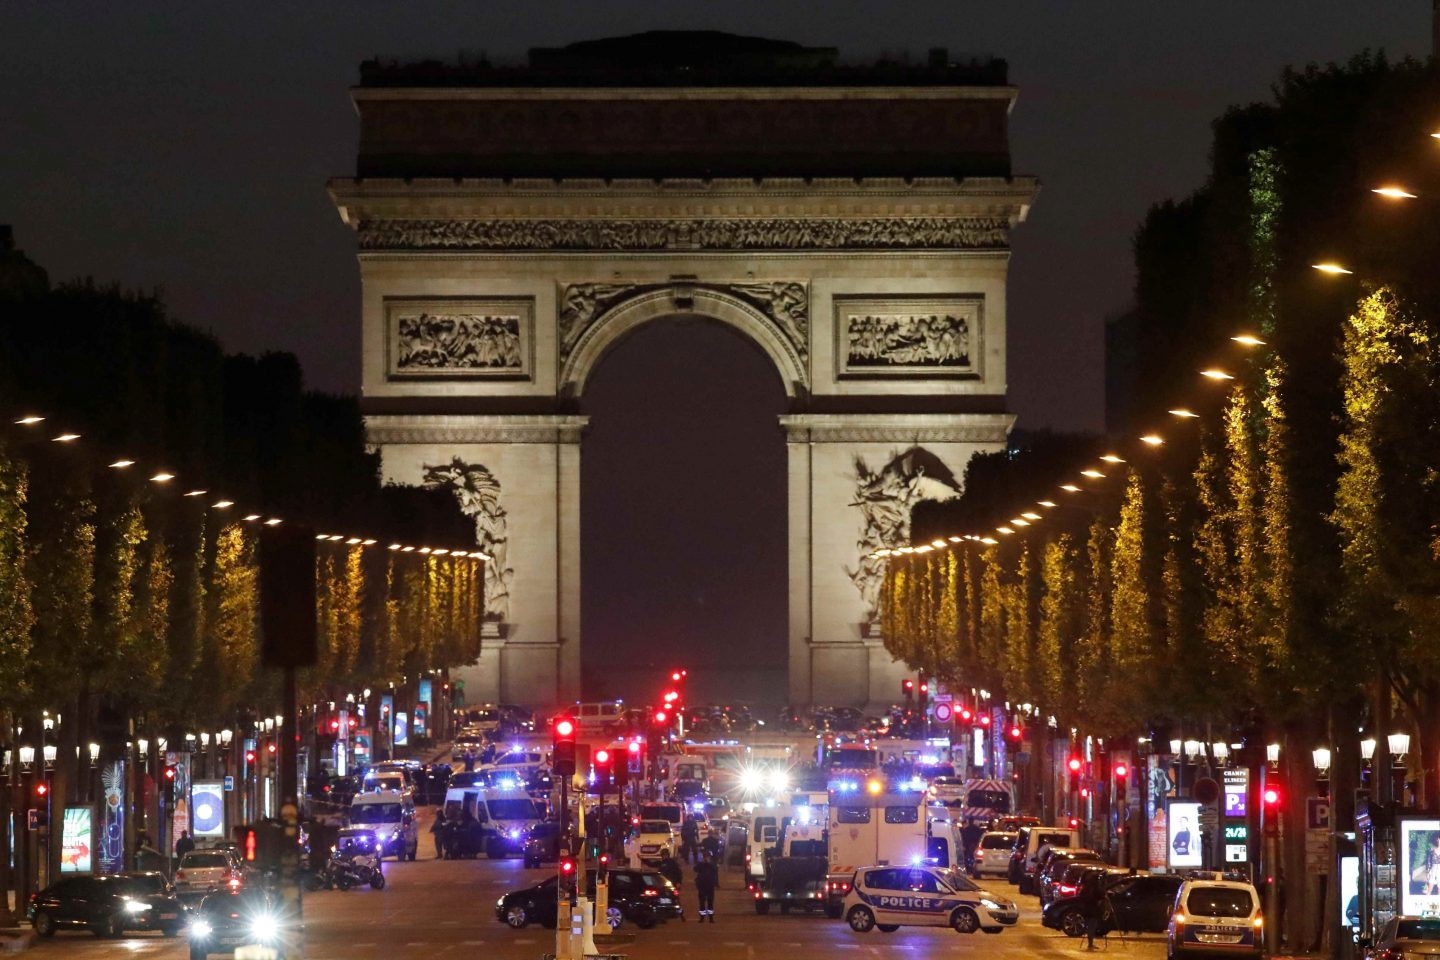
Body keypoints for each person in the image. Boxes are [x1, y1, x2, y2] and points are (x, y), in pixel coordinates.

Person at [694, 850, 720, 923]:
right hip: (702, 886)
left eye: (707, 857)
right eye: (705, 857)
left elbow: (715, 870)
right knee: (702, 903)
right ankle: (702, 918)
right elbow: (695, 869)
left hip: (710, 886)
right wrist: (702, 864)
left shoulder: (712, 864)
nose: (706, 858)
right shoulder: (701, 864)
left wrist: (709, 863)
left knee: (710, 902)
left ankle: (711, 918)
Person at [657, 854, 685, 921]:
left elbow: (679, 873)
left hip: (673, 884)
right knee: (662, 900)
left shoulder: (673, 863)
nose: (663, 856)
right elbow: (652, 864)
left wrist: (679, 882)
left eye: (664, 855)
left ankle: (681, 915)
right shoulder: (661, 863)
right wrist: (642, 859)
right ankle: (663, 917)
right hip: (664, 885)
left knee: (676, 899)